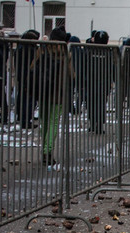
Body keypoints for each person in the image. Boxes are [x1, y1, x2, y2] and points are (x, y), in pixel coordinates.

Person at [31, 26, 73, 166]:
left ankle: (44, 150)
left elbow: (32, 68)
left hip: (43, 92)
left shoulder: (42, 49)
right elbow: (71, 75)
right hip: (58, 93)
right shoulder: (66, 53)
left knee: (45, 122)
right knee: (54, 123)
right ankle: (48, 151)